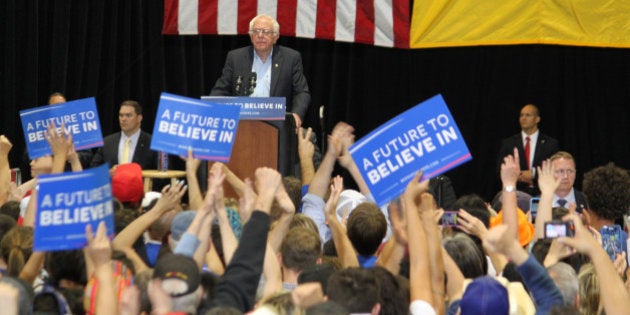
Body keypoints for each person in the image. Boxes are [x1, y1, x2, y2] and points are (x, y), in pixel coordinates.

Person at [210, 14, 311, 128]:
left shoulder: (290, 58)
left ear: (276, 37)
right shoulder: (236, 57)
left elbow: (302, 92)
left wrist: (296, 115)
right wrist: (211, 110)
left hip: (276, 125)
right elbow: (221, 90)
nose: (260, 35)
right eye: (256, 31)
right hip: (243, 123)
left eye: (266, 32)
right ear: (251, 36)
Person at [497, 104, 559, 195]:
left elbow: (555, 169)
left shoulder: (550, 144)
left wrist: (534, 174)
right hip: (516, 194)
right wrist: (519, 175)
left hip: (542, 194)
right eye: (521, 115)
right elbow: (500, 169)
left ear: (537, 119)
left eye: (528, 115)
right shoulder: (508, 143)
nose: (523, 118)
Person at [90, 100, 157, 170]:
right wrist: (107, 174)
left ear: (139, 118)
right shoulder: (107, 142)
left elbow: (162, 176)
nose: (123, 119)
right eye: (121, 115)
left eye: (128, 115)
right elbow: (94, 170)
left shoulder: (152, 143)